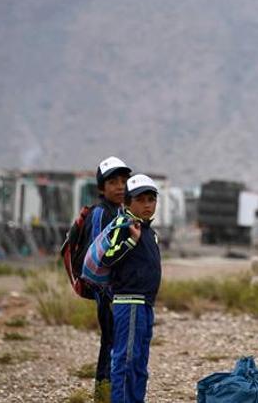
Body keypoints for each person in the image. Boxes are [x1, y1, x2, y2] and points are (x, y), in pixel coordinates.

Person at [100, 174, 162, 403]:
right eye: (141, 200)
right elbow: (107, 258)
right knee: (126, 361)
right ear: (127, 203)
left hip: (145, 304)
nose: (147, 205)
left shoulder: (149, 231)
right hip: (129, 302)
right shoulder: (125, 225)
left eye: (151, 199)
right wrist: (130, 241)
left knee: (139, 362)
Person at [83, 156, 132, 394]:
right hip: (108, 293)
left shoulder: (119, 210)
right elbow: (99, 254)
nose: (120, 186)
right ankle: (103, 392)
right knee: (110, 343)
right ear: (102, 187)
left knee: (115, 343)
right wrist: (108, 292)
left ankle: (110, 391)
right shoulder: (102, 214)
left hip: (117, 292)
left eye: (124, 181)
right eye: (113, 182)